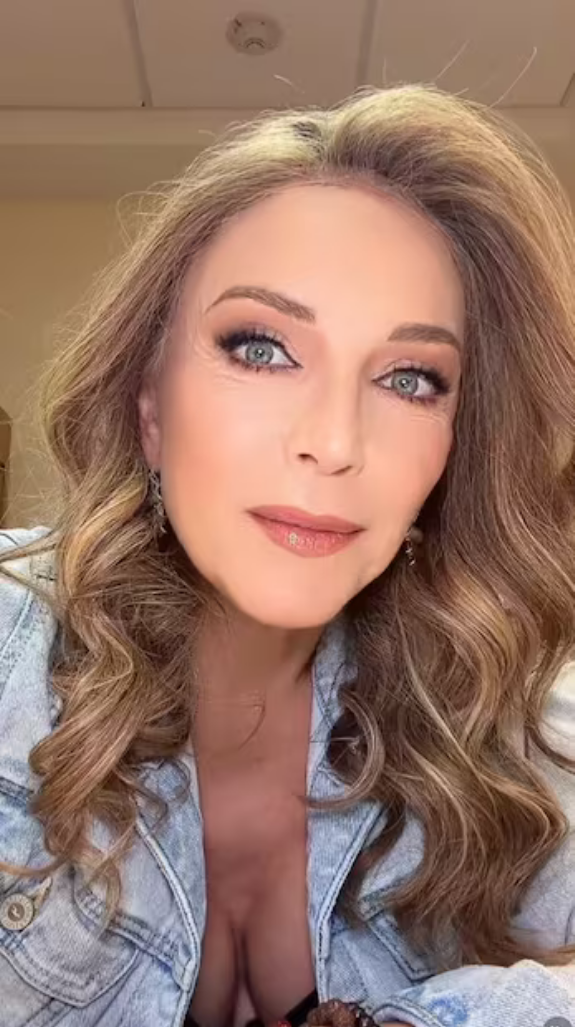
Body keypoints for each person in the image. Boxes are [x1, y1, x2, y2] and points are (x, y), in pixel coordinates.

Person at [1, 82, 575, 1027]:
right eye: (261, 348)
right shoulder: (12, 649)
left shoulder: (498, 711)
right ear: (149, 406)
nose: (334, 441)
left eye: (409, 378)